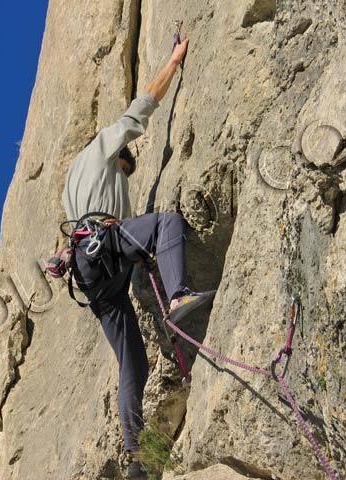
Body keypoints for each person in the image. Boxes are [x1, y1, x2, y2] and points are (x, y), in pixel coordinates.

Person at [61, 38, 214, 479]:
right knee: (165, 223)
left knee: (134, 362)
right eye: (127, 167)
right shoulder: (103, 146)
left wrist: (60, 259)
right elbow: (141, 107)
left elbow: (71, 234)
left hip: (89, 271)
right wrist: (172, 62)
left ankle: (137, 459)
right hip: (103, 243)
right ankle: (180, 295)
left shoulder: (72, 182)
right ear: (117, 154)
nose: (128, 172)